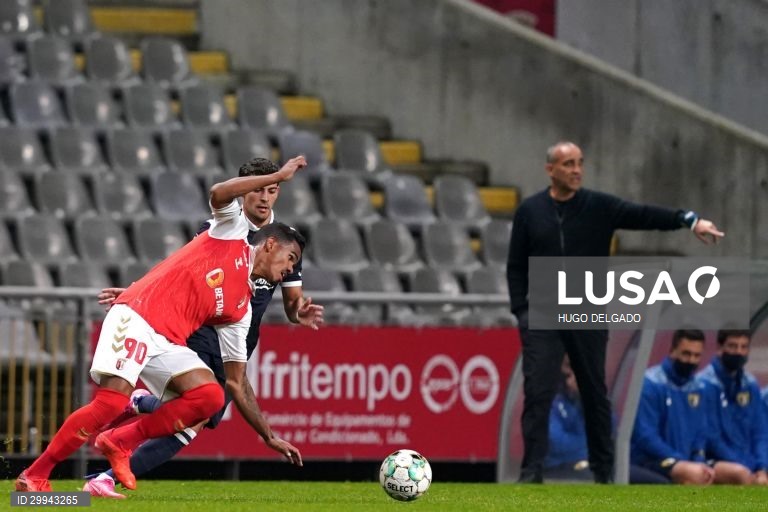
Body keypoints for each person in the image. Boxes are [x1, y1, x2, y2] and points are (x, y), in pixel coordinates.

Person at [15, 157, 309, 493]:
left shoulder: (240, 310)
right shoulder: (232, 232)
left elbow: (237, 383)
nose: (291, 269)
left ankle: (120, 441)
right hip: (137, 317)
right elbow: (218, 193)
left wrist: (268, 436)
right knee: (110, 403)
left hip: (168, 341)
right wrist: (280, 176)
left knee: (210, 396)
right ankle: (36, 475)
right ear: (270, 245)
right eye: (290, 259)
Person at [506, 141, 725, 483]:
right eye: (568, 164)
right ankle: (531, 472)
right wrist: (522, 311)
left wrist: (688, 220)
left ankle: (603, 472)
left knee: (594, 391)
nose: (576, 170)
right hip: (544, 316)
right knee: (538, 391)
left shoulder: (598, 206)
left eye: (580, 163)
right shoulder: (530, 211)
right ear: (550, 170)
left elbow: (644, 215)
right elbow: (516, 265)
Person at [631, 329, 752, 484]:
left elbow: (702, 433)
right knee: (693, 476)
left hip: (688, 460)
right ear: (672, 352)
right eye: (686, 354)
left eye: (696, 356)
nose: (691, 361)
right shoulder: (651, 383)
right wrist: (683, 462)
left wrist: (699, 459)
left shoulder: (698, 386)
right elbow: (645, 436)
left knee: (740, 474)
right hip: (653, 460)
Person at [697, 328, 767, 485]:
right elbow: (711, 438)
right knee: (740, 474)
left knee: (760, 479)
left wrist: (761, 467)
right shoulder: (703, 384)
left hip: (748, 460)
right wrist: (748, 467)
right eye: (733, 346)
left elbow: (760, 432)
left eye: (743, 347)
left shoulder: (750, 384)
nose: (738, 352)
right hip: (713, 459)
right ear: (720, 348)